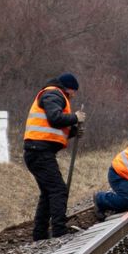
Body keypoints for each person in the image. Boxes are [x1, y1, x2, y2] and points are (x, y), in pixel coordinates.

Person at [23, 73, 86, 240]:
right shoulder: (53, 94)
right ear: (70, 88)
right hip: (39, 151)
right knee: (58, 190)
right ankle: (59, 230)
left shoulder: (54, 95)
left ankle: (40, 235)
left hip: (37, 150)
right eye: (75, 92)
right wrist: (75, 117)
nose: (74, 96)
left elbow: (54, 128)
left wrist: (73, 131)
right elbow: (55, 118)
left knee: (47, 192)